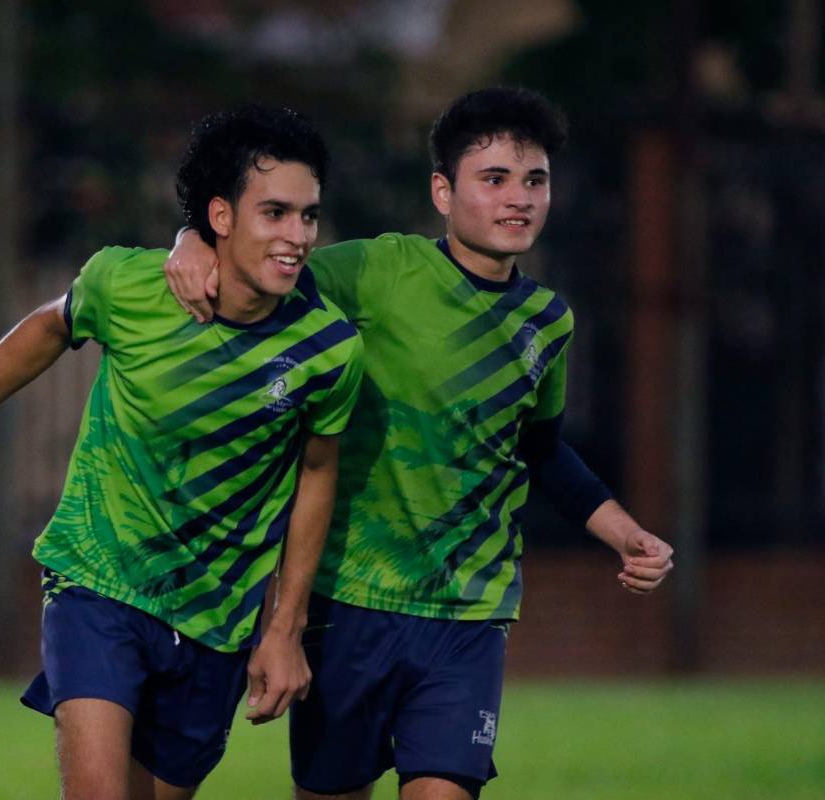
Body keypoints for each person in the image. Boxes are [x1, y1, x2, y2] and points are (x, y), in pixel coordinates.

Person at [164, 88, 674, 800]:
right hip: (350, 600)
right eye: (494, 178)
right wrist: (190, 238)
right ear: (443, 191)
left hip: (470, 611)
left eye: (535, 180)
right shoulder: (379, 270)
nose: (519, 198)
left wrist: (624, 533)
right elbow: (262, 263)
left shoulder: (547, 321)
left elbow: (541, 449)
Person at [0, 105, 363, 800]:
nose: (297, 236)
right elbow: (48, 327)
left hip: (216, 618)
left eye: (309, 216)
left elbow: (318, 473)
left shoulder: (330, 347)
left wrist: (284, 628)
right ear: (221, 216)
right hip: (100, 581)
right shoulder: (126, 284)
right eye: (276, 213)